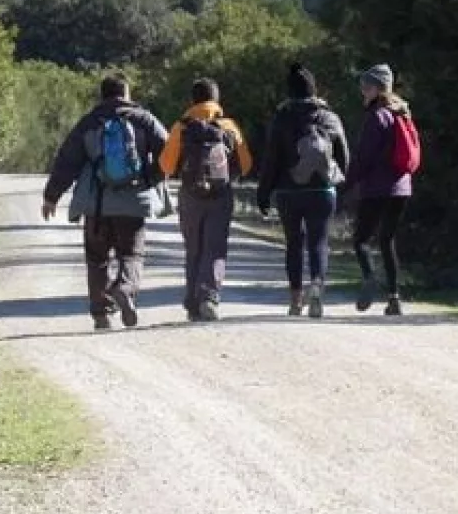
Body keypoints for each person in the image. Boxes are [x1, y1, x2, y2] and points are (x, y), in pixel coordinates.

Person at [42, 74, 171, 331]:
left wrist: (51, 196)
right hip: (134, 201)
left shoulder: (90, 122)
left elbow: (67, 160)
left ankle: (101, 314)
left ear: (102, 95)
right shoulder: (144, 119)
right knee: (132, 255)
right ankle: (124, 289)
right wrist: (150, 176)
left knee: (97, 259)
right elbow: (169, 150)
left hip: (96, 203)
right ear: (126, 93)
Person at [256, 63, 349, 318]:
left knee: (294, 244)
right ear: (314, 89)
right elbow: (344, 156)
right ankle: (317, 284)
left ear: (290, 91)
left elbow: (271, 161)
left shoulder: (281, 118)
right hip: (322, 190)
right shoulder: (330, 118)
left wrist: (263, 193)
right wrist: (343, 186)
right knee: (319, 240)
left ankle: (296, 299)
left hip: (289, 192)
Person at [159, 78, 254, 322]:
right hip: (221, 195)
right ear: (216, 100)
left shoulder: (181, 127)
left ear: (192, 100)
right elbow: (246, 165)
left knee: (194, 248)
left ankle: (192, 301)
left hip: (190, 194)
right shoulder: (228, 127)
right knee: (215, 247)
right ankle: (209, 297)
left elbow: (166, 165)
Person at [341, 64, 413, 317]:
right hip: (402, 188)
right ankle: (394, 298)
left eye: (367, 87)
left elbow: (364, 157)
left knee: (361, 239)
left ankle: (369, 277)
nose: (363, 92)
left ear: (379, 88)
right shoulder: (402, 112)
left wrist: (347, 183)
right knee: (387, 240)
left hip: (378, 188)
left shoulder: (377, 116)